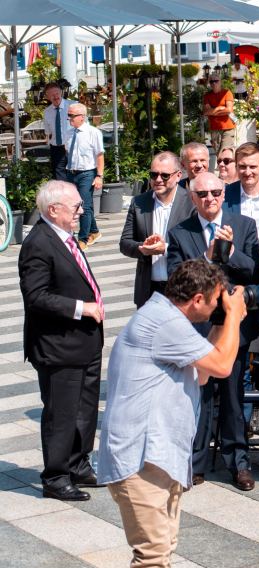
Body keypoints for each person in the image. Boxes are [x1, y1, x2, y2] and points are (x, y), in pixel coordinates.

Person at [97, 259, 244, 567]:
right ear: (198, 299)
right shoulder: (166, 324)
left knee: (162, 549)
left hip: (159, 457)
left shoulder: (166, 316)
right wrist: (233, 318)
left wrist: (219, 321)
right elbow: (222, 366)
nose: (220, 305)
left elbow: (204, 373)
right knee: (152, 555)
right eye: (217, 300)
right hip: (141, 459)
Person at [166, 173, 259, 491]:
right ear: (192, 198)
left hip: (233, 326)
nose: (210, 198)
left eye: (216, 192)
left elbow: (255, 271)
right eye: (203, 193)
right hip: (197, 328)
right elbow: (175, 280)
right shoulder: (180, 233)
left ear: (224, 193)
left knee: (234, 396)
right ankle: (196, 463)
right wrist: (207, 258)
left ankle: (239, 462)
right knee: (200, 397)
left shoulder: (244, 224)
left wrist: (230, 252)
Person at [19, 181, 105, 501]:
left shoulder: (65, 237)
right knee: (61, 412)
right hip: (58, 345)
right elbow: (37, 297)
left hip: (84, 342)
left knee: (85, 408)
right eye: (77, 207)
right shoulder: (39, 243)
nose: (82, 213)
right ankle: (55, 476)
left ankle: (78, 463)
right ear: (54, 210)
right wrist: (83, 308)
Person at [120, 152, 195, 307]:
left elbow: (196, 248)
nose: (158, 180)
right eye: (154, 175)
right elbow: (125, 243)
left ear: (178, 175)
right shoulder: (139, 202)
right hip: (148, 290)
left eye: (165, 175)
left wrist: (165, 249)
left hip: (182, 289)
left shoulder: (191, 203)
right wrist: (142, 249)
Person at [64, 103, 104, 249]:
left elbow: (99, 155)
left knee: (84, 207)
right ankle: (94, 231)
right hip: (71, 173)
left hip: (87, 173)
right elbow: (68, 152)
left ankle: (83, 239)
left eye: (71, 116)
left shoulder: (93, 133)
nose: (69, 118)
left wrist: (99, 176)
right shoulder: (69, 133)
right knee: (76, 205)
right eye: (68, 115)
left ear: (81, 117)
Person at [42, 83, 77, 181]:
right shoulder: (47, 112)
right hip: (56, 148)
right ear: (48, 97)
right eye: (52, 95)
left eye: (57, 93)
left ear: (61, 93)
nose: (55, 96)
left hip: (73, 146)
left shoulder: (73, 106)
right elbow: (48, 132)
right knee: (60, 179)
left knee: (75, 175)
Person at [202, 74, 236, 155]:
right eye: (211, 81)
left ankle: (229, 166)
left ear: (220, 82)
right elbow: (206, 112)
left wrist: (213, 111)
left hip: (228, 127)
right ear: (209, 83)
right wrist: (219, 108)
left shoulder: (227, 93)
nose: (214, 83)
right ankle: (223, 167)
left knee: (225, 151)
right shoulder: (207, 96)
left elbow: (229, 110)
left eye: (216, 81)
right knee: (218, 153)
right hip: (214, 128)